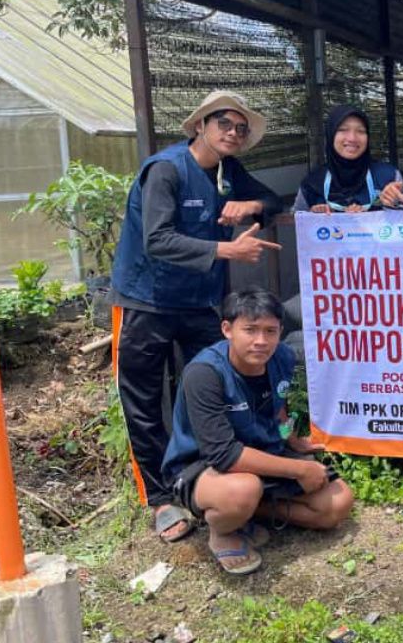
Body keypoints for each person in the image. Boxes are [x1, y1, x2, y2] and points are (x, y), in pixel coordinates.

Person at [111, 90, 283, 544]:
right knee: (144, 399)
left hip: (199, 302)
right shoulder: (166, 169)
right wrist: (229, 249)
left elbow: (273, 200)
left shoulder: (228, 172)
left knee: (212, 388)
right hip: (147, 300)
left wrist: (252, 207)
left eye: (241, 129)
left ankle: (205, 485)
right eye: (224, 123)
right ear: (200, 126)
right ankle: (160, 498)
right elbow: (158, 240)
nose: (233, 132)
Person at [162, 291, 354, 575]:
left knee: (337, 504)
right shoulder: (204, 373)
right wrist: (299, 469)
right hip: (204, 466)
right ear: (227, 329)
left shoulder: (282, 358)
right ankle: (223, 530)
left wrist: (291, 439)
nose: (261, 341)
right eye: (250, 330)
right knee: (242, 490)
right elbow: (224, 454)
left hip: (263, 455)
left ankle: (250, 512)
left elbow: (279, 407)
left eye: (270, 331)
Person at [294, 104, 403, 213]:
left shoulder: (388, 176)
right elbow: (298, 221)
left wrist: (392, 204)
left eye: (360, 131)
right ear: (331, 134)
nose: (352, 138)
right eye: (343, 130)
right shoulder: (312, 183)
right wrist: (314, 216)